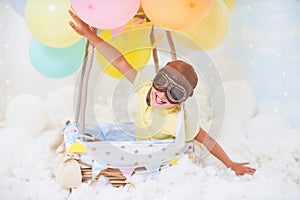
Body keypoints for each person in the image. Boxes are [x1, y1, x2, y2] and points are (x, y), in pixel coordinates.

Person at [68, 10, 256, 176]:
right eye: (161, 82)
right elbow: (119, 61)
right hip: (140, 144)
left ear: (182, 100)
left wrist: (230, 164)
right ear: (156, 78)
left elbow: (207, 139)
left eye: (175, 92)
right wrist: (90, 36)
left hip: (153, 160)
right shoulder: (145, 87)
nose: (163, 94)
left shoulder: (178, 120)